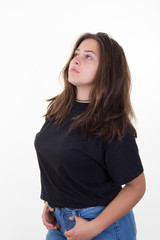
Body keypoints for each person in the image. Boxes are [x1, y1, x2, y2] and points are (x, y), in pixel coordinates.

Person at [34, 32, 146, 240]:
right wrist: (51, 202)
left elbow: (136, 186)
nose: (75, 60)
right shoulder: (59, 109)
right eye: (76, 53)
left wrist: (94, 227)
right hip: (60, 223)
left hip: (103, 226)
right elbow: (61, 162)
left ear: (107, 71)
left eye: (88, 57)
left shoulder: (112, 124)